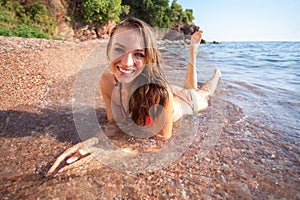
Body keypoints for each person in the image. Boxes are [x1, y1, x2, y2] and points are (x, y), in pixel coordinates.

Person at [46, 17, 221, 176]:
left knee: (202, 92)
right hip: (154, 86)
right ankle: (193, 54)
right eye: (119, 49)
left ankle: (211, 71)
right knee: (188, 86)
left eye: (138, 54)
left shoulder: (159, 95)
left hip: (183, 102)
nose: (127, 62)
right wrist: (89, 144)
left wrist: (110, 154)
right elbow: (114, 126)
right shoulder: (107, 82)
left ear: (148, 58)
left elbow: (160, 143)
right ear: (109, 50)